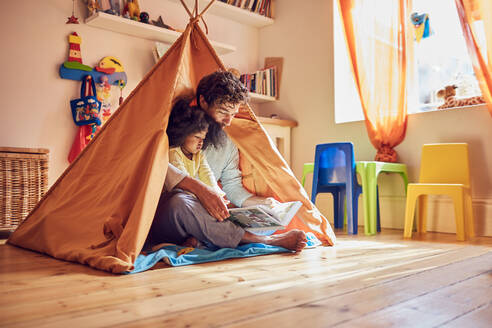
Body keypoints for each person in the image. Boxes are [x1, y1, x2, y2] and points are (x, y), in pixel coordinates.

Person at [146, 71, 307, 252]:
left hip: (202, 219)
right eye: (223, 112)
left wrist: (261, 204)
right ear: (203, 102)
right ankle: (268, 241)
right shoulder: (175, 129)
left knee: (231, 215)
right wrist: (199, 190)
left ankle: (202, 239)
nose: (229, 121)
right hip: (169, 215)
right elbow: (154, 165)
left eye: (233, 114)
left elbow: (232, 188)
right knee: (180, 202)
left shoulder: (227, 143)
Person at [166, 98, 225, 198]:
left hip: (189, 196)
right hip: (176, 197)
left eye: (203, 138)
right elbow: (184, 180)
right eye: (197, 137)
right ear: (183, 134)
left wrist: (218, 196)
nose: (201, 142)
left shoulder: (199, 155)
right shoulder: (174, 153)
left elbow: (207, 175)